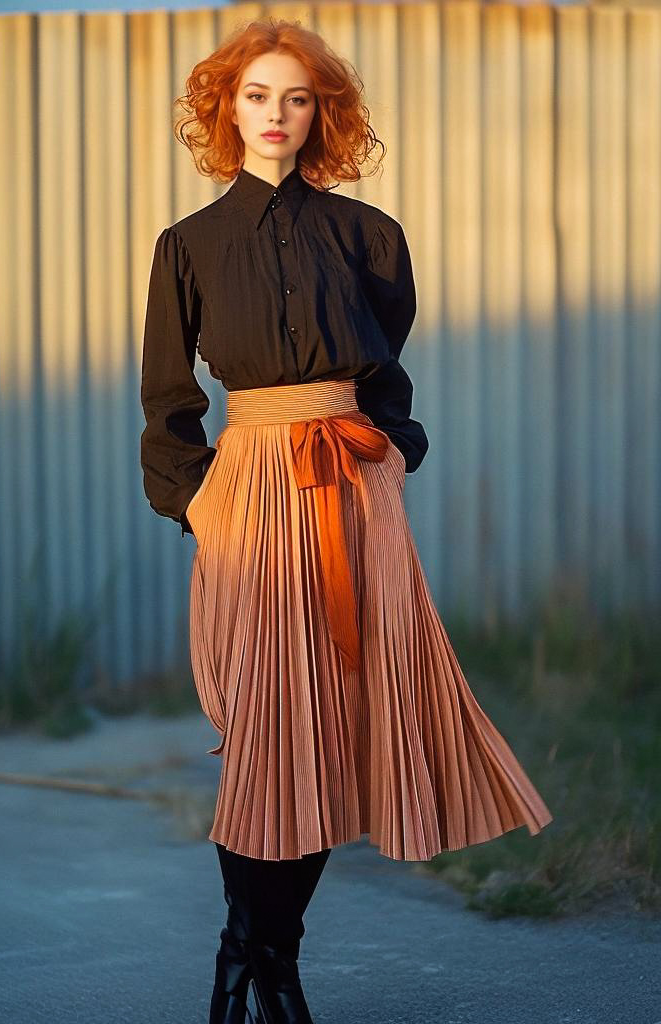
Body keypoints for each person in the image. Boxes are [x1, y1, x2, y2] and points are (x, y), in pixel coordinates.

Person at [139, 17, 554, 1024]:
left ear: (322, 111)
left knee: (334, 734)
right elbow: (167, 400)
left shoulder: (371, 237)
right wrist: (201, 502)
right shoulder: (187, 246)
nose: (275, 115)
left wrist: (395, 456)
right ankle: (247, 952)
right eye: (255, 96)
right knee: (270, 734)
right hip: (247, 499)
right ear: (223, 107)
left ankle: (266, 961)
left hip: (353, 491)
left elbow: (386, 375)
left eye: (296, 97)